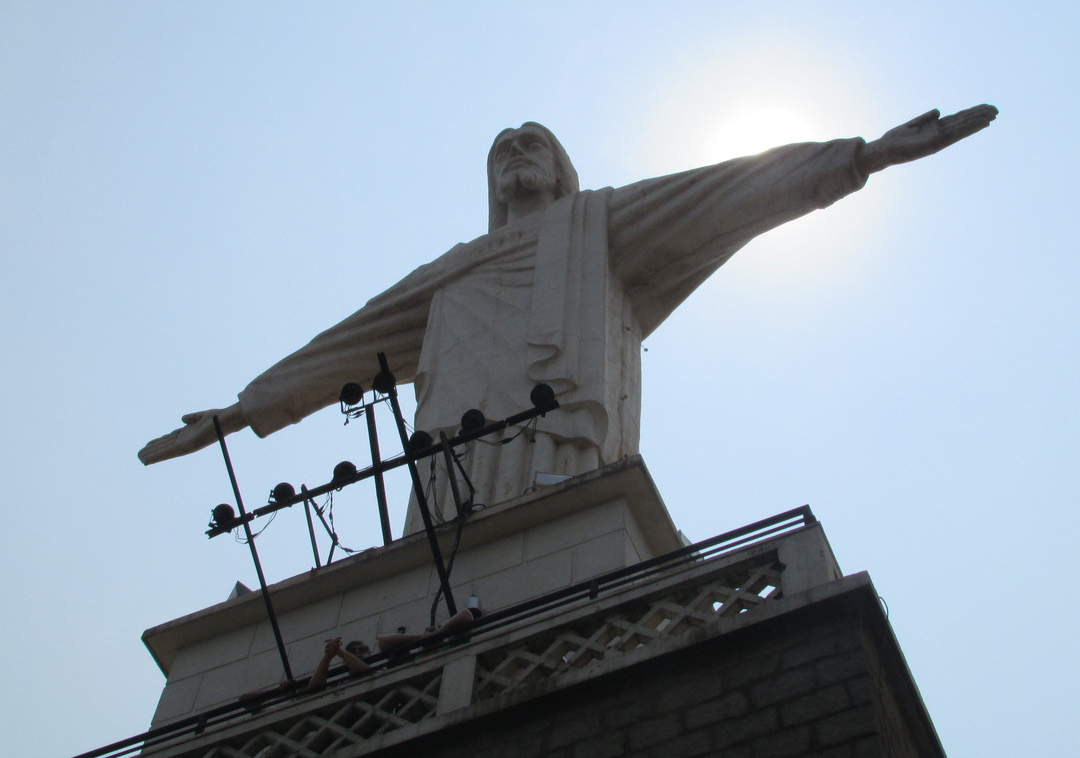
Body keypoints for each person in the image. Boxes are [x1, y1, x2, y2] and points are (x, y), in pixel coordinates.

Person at [140, 107, 997, 534]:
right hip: (450, 457)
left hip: (561, 441)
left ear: (561, 170)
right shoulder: (452, 270)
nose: (519, 158)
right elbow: (347, 344)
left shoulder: (601, 225)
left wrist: (857, 158)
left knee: (559, 517)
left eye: (533, 148)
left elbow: (720, 194)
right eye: (504, 152)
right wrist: (245, 409)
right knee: (440, 538)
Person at [307, 637, 373, 692]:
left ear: (369, 655)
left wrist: (338, 650)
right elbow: (314, 689)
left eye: (362, 649)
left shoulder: (379, 672)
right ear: (344, 661)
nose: (357, 651)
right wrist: (328, 655)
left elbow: (365, 672)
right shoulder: (339, 684)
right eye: (351, 650)